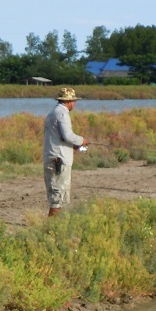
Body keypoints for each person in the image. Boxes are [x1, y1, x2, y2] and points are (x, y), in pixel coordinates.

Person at [43, 87, 88, 217]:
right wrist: (82, 141)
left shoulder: (53, 112)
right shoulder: (62, 113)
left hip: (54, 157)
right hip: (59, 160)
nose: (74, 104)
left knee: (58, 196)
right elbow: (68, 135)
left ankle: (56, 227)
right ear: (69, 101)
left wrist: (72, 146)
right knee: (58, 196)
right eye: (74, 101)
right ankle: (51, 228)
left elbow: (59, 137)